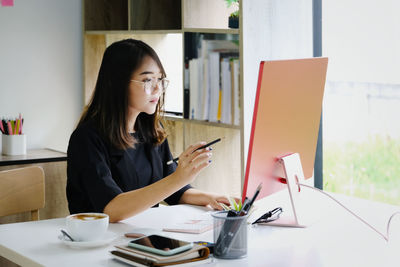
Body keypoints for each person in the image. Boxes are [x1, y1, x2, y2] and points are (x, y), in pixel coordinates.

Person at [67, 39, 232, 223]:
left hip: (143, 236)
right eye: (147, 80)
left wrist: (211, 198)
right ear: (118, 84)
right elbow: (112, 210)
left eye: (160, 79)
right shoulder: (86, 139)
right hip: (104, 243)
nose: (157, 88)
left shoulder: (151, 131)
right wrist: (178, 178)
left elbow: (174, 191)